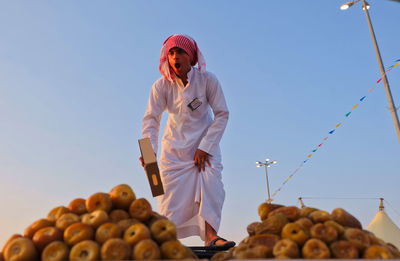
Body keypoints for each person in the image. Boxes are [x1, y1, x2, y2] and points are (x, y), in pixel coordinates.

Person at [140, 34, 234, 247]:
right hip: (173, 149)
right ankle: (167, 241)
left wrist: (206, 147)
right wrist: (148, 152)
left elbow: (222, 114)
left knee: (211, 186)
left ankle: (211, 237)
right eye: (171, 53)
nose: (175, 57)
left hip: (204, 148)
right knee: (167, 197)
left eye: (180, 51)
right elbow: (151, 119)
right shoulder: (161, 86)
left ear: (190, 56)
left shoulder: (208, 80)